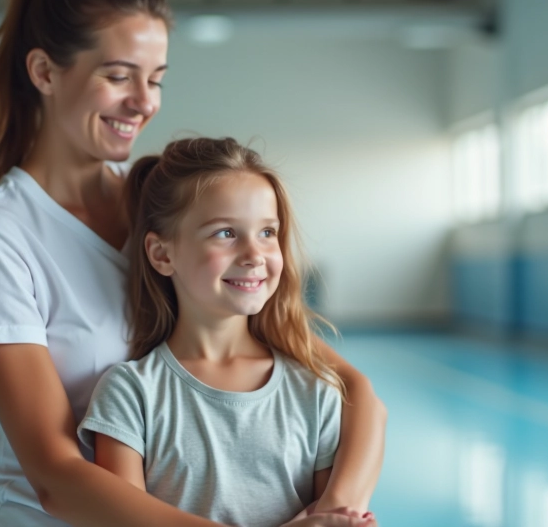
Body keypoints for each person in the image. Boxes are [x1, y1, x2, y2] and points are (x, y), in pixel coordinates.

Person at [0, 0, 387, 526]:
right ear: (46, 73)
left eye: (155, 80)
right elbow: (54, 477)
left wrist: (335, 513)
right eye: (118, 76)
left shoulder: (171, 207)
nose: (144, 102)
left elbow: (355, 392)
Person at [77, 138, 378, 527]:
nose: (254, 255)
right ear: (162, 254)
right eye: (225, 233)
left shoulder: (315, 392)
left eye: (267, 233)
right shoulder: (129, 394)